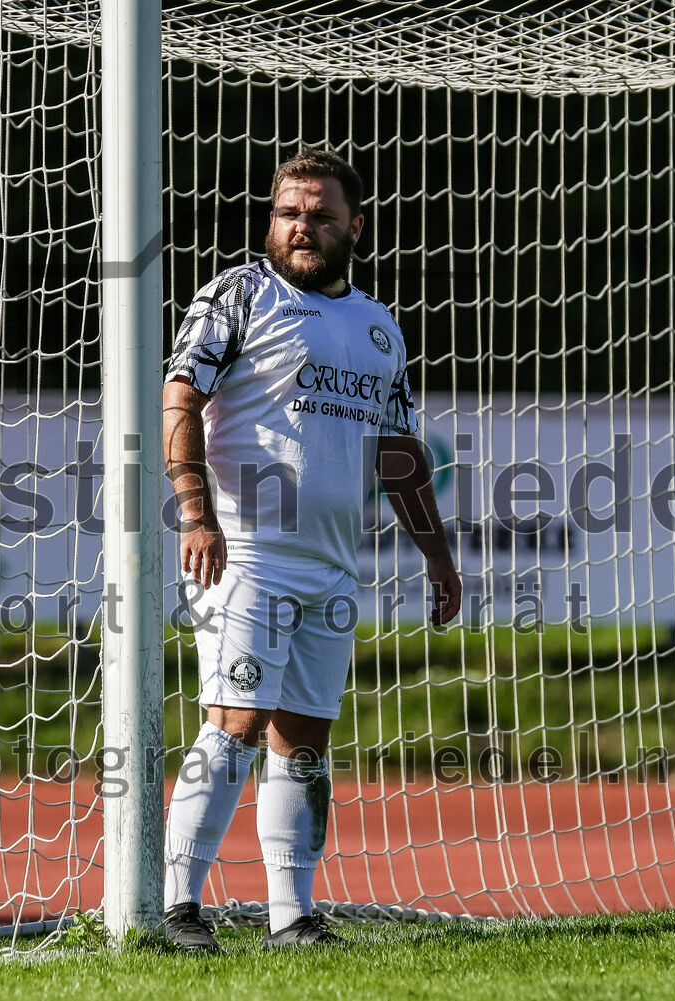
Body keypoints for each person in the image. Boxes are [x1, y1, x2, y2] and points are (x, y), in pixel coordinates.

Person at [161, 148, 462, 952]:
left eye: (320, 213)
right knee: (237, 719)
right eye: (289, 211)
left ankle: (291, 917)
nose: (303, 226)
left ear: (354, 227)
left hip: (332, 565)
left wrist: (435, 554)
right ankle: (176, 903)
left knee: (304, 737)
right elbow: (180, 396)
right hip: (244, 554)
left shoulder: (379, 326)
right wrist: (197, 515)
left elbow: (398, 452)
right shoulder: (237, 294)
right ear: (271, 219)